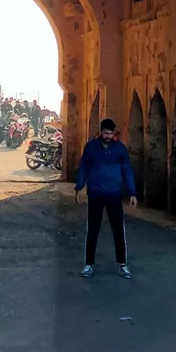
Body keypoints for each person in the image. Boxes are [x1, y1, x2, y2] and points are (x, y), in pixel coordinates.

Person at [74, 118, 137, 278]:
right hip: (95, 193)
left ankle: (122, 264)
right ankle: (88, 264)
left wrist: (132, 192)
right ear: (100, 132)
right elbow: (84, 168)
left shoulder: (120, 149)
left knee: (118, 230)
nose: (109, 136)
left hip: (114, 194)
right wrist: (79, 188)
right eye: (106, 133)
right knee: (93, 230)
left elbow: (127, 170)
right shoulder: (91, 148)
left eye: (111, 133)